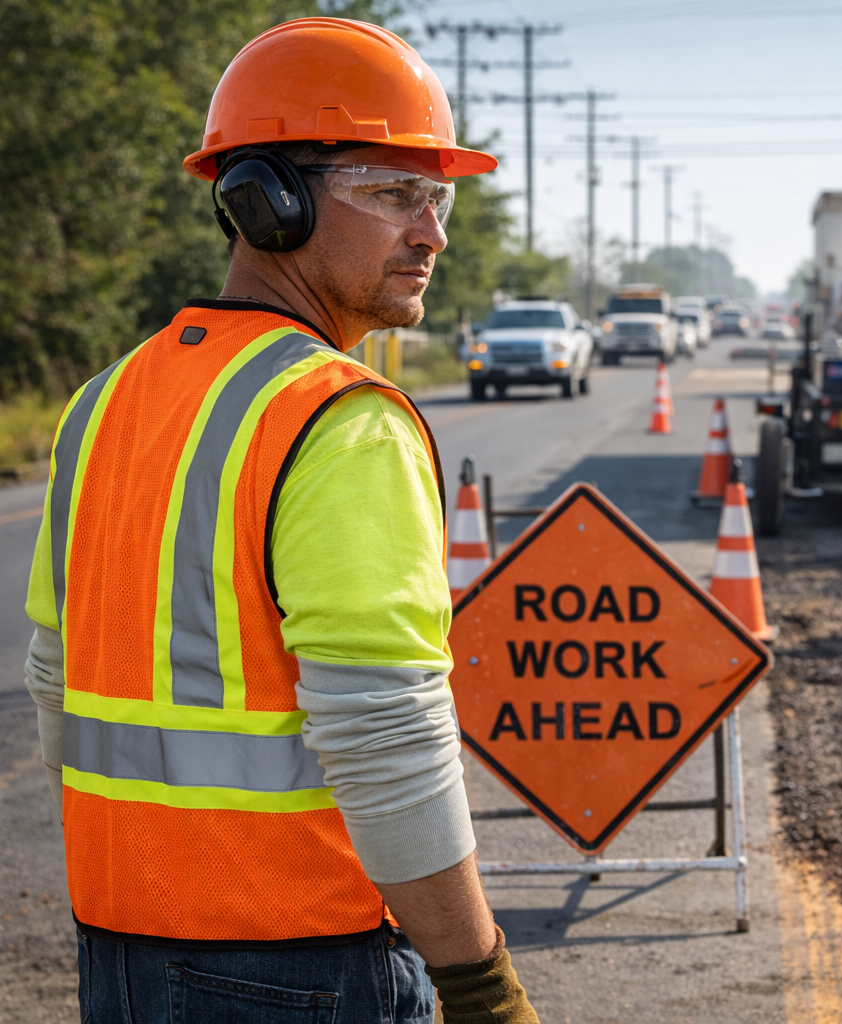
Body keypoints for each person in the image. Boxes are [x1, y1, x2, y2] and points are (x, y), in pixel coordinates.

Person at [22, 18, 538, 1023]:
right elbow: (385, 729)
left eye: (438, 199)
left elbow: (57, 684)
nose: (432, 231)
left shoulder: (100, 402)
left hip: (119, 957)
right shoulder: (338, 418)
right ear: (268, 203)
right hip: (302, 967)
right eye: (396, 193)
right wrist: (480, 980)